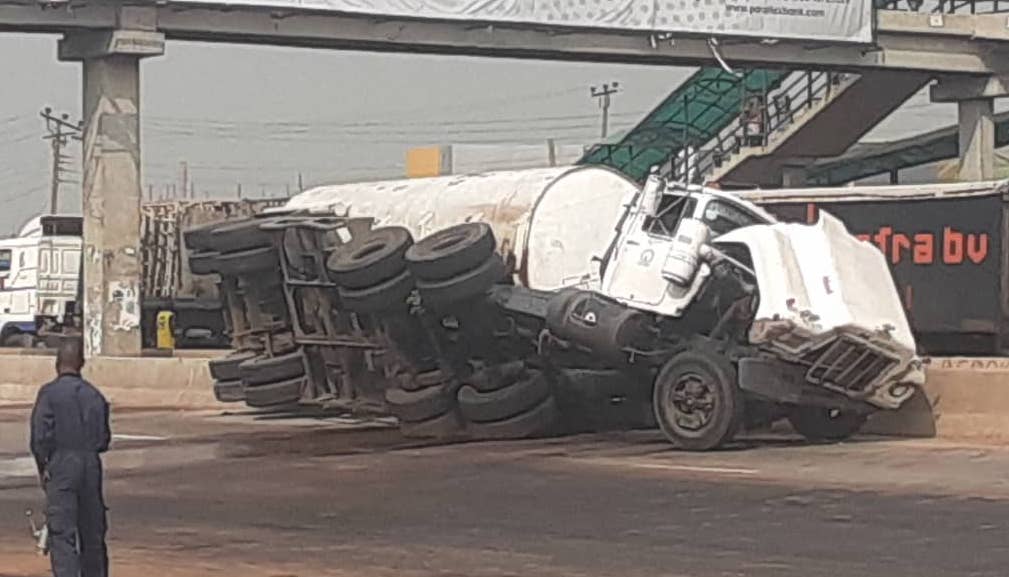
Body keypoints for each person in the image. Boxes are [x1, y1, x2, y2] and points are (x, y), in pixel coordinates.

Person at [30, 337, 110, 577]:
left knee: (62, 532)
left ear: (57, 363)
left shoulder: (49, 394)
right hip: (90, 465)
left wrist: (43, 468)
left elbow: (39, 438)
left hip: (62, 464)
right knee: (93, 533)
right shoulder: (95, 395)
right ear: (82, 363)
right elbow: (103, 439)